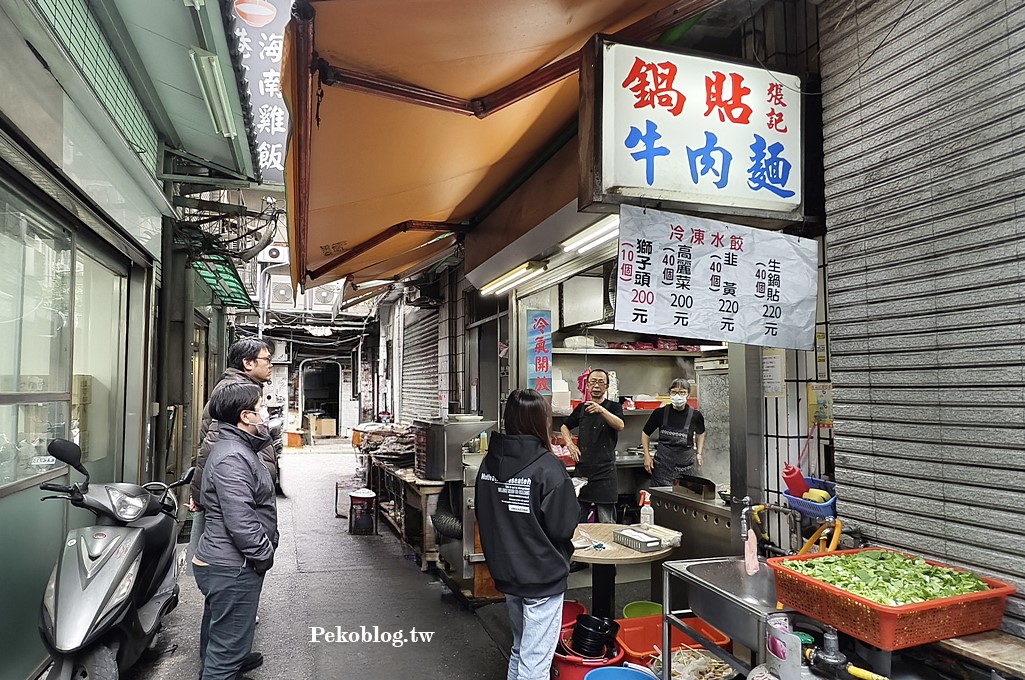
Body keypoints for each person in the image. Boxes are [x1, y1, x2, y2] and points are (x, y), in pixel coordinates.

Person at [475, 389, 579, 680]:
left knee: (521, 648)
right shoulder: (547, 467)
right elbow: (563, 527)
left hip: (508, 573)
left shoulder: (488, 463)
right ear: (539, 421)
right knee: (536, 661)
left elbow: (485, 514)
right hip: (541, 576)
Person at [192, 382, 278, 680]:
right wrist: (263, 554)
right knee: (225, 657)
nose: (265, 412)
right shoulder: (232, 456)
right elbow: (240, 519)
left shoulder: (237, 447)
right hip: (233, 566)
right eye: (261, 408)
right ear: (245, 416)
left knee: (220, 636)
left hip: (226, 563)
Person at [189, 338, 279, 512]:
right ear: (247, 362)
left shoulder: (242, 388)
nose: (270, 365)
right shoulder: (237, 392)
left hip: (244, 486)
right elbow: (212, 443)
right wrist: (199, 495)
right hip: (237, 489)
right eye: (267, 360)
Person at [560, 368, 625, 524]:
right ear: (587, 386)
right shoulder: (581, 408)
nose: (597, 386)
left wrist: (601, 410)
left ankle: (608, 548)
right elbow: (564, 426)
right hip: (583, 469)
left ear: (607, 386)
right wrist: (570, 443)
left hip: (605, 471)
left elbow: (620, 425)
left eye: (601, 382)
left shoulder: (614, 407)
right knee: (577, 518)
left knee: (606, 520)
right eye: (593, 382)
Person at [642, 379, 706, 487]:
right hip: (663, 469)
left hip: (687, 468)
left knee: (686, 498)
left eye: (682, 392)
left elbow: (701, 433)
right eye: (674, 392)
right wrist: (647, 456)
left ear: (688, 395)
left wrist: (699, 453)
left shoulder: (695, 415)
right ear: (669, 394)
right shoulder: (660, 413)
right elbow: (645, 433)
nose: (678, 395)